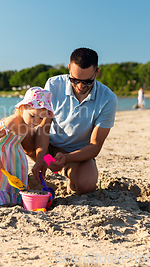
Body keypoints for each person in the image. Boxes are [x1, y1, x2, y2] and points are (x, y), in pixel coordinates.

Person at [24, 47, 118, 195]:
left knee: (86, 185)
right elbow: (44, 126)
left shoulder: (108, 99)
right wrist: (41, 157)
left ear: (97, 73)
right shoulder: (53, 85)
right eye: (75, 80)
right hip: (48, 145)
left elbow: (95, 146)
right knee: (16, 130)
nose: (80, 86)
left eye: (87, 81)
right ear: (69, 69)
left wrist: (66, 158)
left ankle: (69, 173)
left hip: (78, 154)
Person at [0, 87, 54, 205]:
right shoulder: (12, 122)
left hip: (13, 150)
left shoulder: (28, 122)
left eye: (41, 118)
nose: (36, 121)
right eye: (33, 115)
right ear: (23, 108)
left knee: (16, 172)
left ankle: (21, 195)